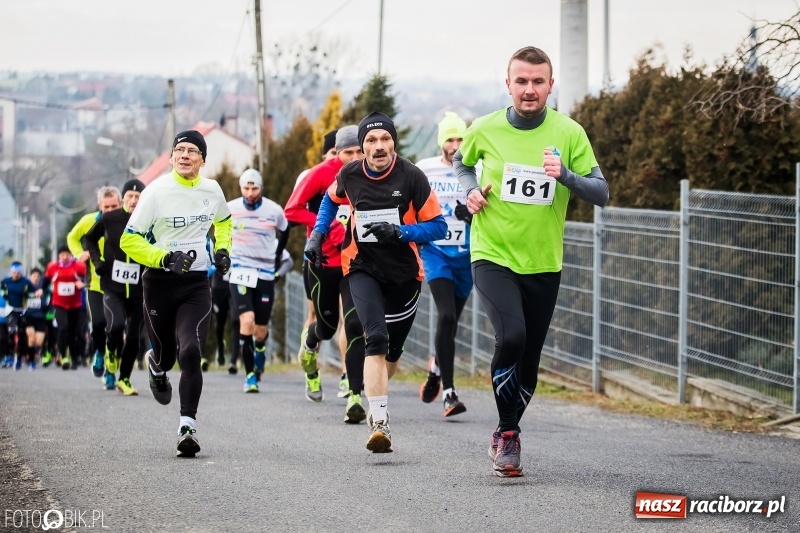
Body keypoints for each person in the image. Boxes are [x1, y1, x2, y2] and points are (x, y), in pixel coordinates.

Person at [453, 46, 609, 477]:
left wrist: (566, 176)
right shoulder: (484, 128)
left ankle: (505, 427)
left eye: (538, 81)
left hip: (543, 262)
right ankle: (508, 433)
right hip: (492, 253)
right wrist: (470, 191)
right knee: (513, 336)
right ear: (508, 84)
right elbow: (462, 163)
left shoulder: (569, 132)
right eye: (521, 81)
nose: (529, 89)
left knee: (529, 363)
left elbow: (601, 192)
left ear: (550, 85)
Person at [304, 112, 446, 452]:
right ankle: (379, 420)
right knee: (375, 338)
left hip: (404, 275)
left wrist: (400, 232)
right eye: (371, 140)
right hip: (361, 267)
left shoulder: (412, 176)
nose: (378, 146)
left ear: (393, 143)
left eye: (385, 139)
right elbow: (330, 199)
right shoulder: (350, 173)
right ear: (362, 145)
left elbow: (438, 226)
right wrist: (318, 234)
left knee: (391, 353)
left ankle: (377, 390)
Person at [120, 130, 232, 457]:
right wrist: (165, 258)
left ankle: (187, 427)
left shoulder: (212, 190)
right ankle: (156, 366)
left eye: (192, 151)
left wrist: (223, 249)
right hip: (159, 283)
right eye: (179, 150)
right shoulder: (156, 192)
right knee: (167, 355)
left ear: (202, 160)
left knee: (192, 349)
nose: (184, 155)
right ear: (171, 157)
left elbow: (224, 222)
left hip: (195, 284)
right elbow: (129, 240)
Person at [285, 125, 367, 415]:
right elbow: (291, 210)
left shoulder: (370, 171)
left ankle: (355, 395)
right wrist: (328, 226)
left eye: (359, 151)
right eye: (348, 152)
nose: (355, 157)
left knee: (355, 324)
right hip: (323, 263)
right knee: (327, 327)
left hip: (355, 262)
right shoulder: (319, 174)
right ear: (337, 152)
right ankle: (310, 346)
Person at [416, 111, 473, 418]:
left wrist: (472, 215)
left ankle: (436, 369)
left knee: (452, 323)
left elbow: (488, 208)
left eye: (460, 139)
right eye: (450, 139)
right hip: (436, 253)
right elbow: (411, 204)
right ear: (442, 142)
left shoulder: (476, 169)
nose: (455, 145)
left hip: (466, 254)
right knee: (446, 315)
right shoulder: (425, 169)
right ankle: (449, 394)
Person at [226, 168, 288, 393]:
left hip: (264, 273)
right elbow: (217, 229)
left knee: (260, 329)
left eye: (254, 188)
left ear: (261, 188)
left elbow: (285, 230)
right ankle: (250, 376)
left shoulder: (273, 210)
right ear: (240, 188)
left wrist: (278, 255)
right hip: (240, 270)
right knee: (247, 321)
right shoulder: (230, 208)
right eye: (246, 188)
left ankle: (260, 348)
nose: (250, 193)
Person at [82, 179, 146, 394]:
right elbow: (88, 239)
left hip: (139, 290)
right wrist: (97, 261)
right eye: (130, 196)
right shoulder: (110, 218)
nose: (134, 200)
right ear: (123, 199)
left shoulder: (149, 221)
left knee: (135, 336)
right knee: (116, 325)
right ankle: (110, 352)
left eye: (138, 197)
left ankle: (124, 379)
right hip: (113, 287)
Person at [67, 186, 121, 367]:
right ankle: (99, 351)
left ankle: (111, 363)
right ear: (100, 206)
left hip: (118, 285)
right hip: (95, 284)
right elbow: (72, 237)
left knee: (115, 327)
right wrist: (78, 254)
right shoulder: (88, 221)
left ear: (120, 203)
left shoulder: (127, 222)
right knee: (98, 323)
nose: (110, 211)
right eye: (106, 207)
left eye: (114, 206)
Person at [42, 246, 87, 371]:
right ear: (59, 256)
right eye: (62, 254)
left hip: (75, 305)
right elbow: (46, 280)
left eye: (67, 254)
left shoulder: (79, 267)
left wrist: (83, 284)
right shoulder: (53, 267)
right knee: (63, 328)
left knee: (73, 333)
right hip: (59, 304)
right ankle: (63, 356)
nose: (65, 256)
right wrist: (41, 289)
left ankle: (74, 359)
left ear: (71, 255)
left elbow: (89, 278)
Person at [0, 262, 37, 370]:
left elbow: (34, 293)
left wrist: (31, 294)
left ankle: (20, 357)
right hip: (10, 310)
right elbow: (2, 293)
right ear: (11, 272)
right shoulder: (5, 281)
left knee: (22, 335)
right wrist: (4, 295)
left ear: (21, 272)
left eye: (18, 272)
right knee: (11, 333)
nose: (16, 274)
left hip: (22, 310)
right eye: (14, 272)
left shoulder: (26, 282)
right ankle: (10, 356)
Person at [24, 267, 49, 369]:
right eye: (34, 276)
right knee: (31, 338)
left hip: (40, 317)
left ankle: (35, 353)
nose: (36, 278)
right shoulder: (25, 287)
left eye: (38, 276)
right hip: (28, 317)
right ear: (30, 277)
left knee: (39, 342)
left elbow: (48, 301)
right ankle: (30, 360)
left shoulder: (44, 289)